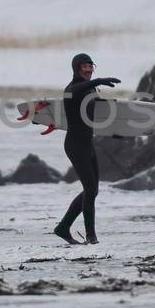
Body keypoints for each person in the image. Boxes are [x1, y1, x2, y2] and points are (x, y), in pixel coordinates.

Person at [54, 53, 120, 245]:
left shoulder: (91, 90)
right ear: (76, 68)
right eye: (85, 67)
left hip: (87, 143)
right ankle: (91, 236)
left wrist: (118, 128)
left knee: (92, 190)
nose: (89, 70)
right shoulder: (70, 90)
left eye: (91, 66)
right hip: (74, 145)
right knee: (90, 189)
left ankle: (63, 227)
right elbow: (76, 91)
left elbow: (96, 113)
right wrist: (98, 81)